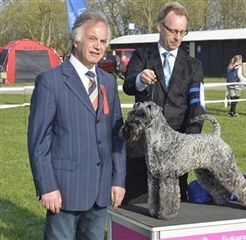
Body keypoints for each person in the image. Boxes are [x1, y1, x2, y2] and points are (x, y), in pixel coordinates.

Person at [27, 9, 126, 240]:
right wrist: (47, 187)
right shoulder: (50, 82)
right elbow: (38, 142)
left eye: (103, 41)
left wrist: (118, 180)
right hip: (63, 191)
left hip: (101, 192)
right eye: (92, 39)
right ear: (76, 39)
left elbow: (116, 134)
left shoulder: (108, 83)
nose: (98, 46)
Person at [122, 2, 205, 204]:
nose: (177, 37)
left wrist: (189, 144)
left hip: (177, 150)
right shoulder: (142, 56)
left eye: (182, 32)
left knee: (174, 208)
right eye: (173, 30)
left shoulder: (193, 65)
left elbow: (197, 106)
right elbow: (128, 86)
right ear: (160, 26)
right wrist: (140, 80)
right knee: (136, 207)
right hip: (141, 147)